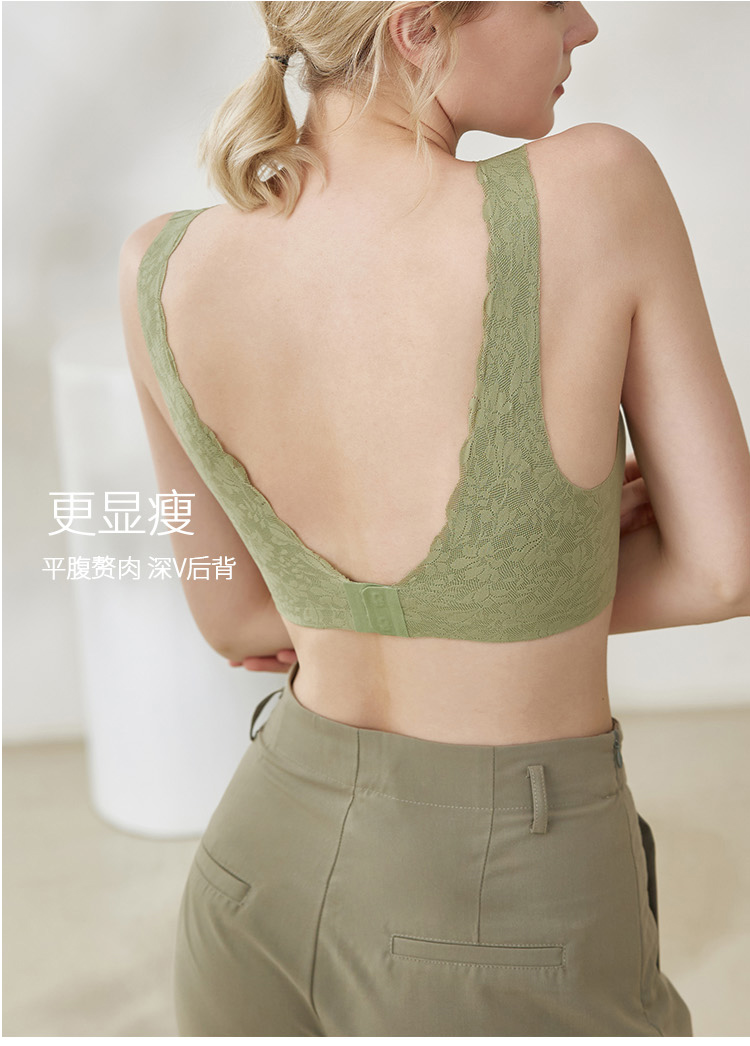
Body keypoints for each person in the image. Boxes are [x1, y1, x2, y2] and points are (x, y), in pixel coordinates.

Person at [119, 1, 750, 1035]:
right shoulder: (598, 186)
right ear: (417, 28)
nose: (584, 26)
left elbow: (235, 619)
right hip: (500, 894)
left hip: (253, 870)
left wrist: (504, 577)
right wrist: (545, 571)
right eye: (548, 1)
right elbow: (725, 568)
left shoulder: (159, 263)